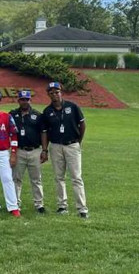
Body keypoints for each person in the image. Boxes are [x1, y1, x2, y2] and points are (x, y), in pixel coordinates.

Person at [41, 82, 88, 218]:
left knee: (76, 178)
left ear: (61, 92)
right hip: (56, 146)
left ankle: (82, 208)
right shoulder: (47, 111)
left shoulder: (72, 107)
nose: (54, 94)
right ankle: (62, 206)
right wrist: (45, 150)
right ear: (48, 94)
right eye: (51, 92)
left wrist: (79, 141)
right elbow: (45, 132)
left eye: (57, 92)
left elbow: (82, 124)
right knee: (59, 177)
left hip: (72, 145)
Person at [10, 90, 46, 213]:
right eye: (22, 99)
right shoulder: (13, 114)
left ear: (30, 100)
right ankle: (15, 203)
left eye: (27, 99)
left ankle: (39, 204)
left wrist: (44, 150)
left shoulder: (37, 115)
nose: (24, 101)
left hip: (35, 150)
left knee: (36, 179)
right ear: (18, 100)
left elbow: (43, 133)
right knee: (16, 178)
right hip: (19, 150)